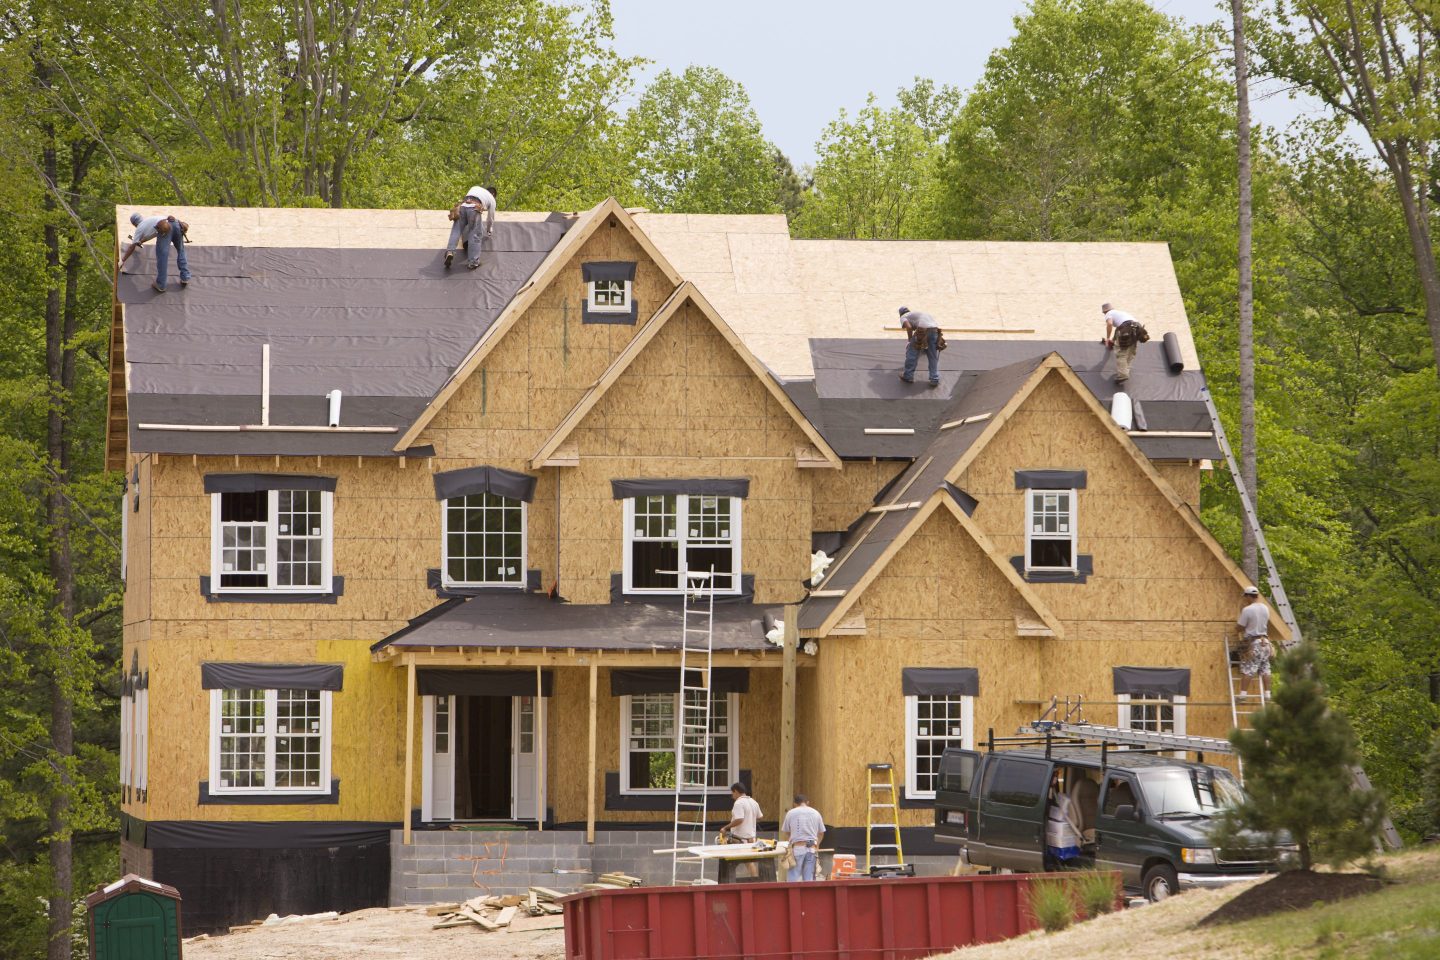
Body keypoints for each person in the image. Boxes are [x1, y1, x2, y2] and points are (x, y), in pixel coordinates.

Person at [120, 213, 191, 293]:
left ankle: (161, 284)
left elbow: (131, 247)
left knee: (162, 256)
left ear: (134, 224)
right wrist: (141, 241)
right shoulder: (150, 220)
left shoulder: (140, 228)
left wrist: (122, 260)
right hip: (177, 224)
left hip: (166, 228)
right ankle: (185, 277)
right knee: (181, 250)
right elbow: (153, 234)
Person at [444, 186, 497, 270]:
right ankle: (473, 262)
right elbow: (490, 218)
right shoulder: (492, 199)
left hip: (462, 206)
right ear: (493, 194)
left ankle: (450, 251)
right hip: (474, 208)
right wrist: (489, 230)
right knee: (475, 234)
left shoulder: (475, 188)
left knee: (456, 230)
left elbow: (466, 200)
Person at [1235, 585, 1273, 698]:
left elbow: (1240, 627)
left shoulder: (1248, 610)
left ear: (1248, 596)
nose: (1245, 599)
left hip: (1254, 643)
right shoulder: (1265, 608)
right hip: (1265, 643)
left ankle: (1242, 695)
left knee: (1249, 669)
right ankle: (1267, 694)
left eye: (1245, 597)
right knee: (1265, 669)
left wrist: (1236, 628)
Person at [719, 781, 763, 878]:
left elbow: (739, 819)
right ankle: (754, 879)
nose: (732, 795)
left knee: (732, 861)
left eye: (732, 793)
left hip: (740, 838)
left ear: (736, 791)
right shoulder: (753, 802)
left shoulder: (739, 803)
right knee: (749, 861)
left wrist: (725, 828)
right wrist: (750, 820)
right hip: (752, 837)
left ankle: (732, 880)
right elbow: (760, 817)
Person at [780, 794, 826, 882]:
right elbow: (821, 833)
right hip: (812, 848)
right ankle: (808, 895)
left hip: (797, 848)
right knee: (808, 878)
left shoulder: (791, 813)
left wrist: (791, 841)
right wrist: (817, 845)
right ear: (807, 802)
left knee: (793, 876)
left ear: (794, 804)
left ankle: (792, 895)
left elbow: (786, 832)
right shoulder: (816, 813)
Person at [1044, 776, 1083, 869]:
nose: (1056, 779)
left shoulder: (1053, 793)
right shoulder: (1047, 791)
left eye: (1056, 777)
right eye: (1054, 777)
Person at [1101, 302, 1142, 388]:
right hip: (1138, 328)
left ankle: (1123, 375)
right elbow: (1118, 331)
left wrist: (1108, 338)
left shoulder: (1109, 313)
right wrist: (1112, 341)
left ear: (1104, 312)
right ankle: (1126, 369)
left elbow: (1109, 324)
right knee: (1131, 350)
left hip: (1127, 328)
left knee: (1121, 353)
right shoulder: (1121, 314)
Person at [898, 306, 941, 386]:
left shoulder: (904, 317)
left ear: (901, 314)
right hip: (935, 330)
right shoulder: (917, 314)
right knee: (933, 356)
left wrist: (910, 340)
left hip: (922, 329)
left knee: (912, 353)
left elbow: (909, 327)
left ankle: (908, 376)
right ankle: (934, 379)